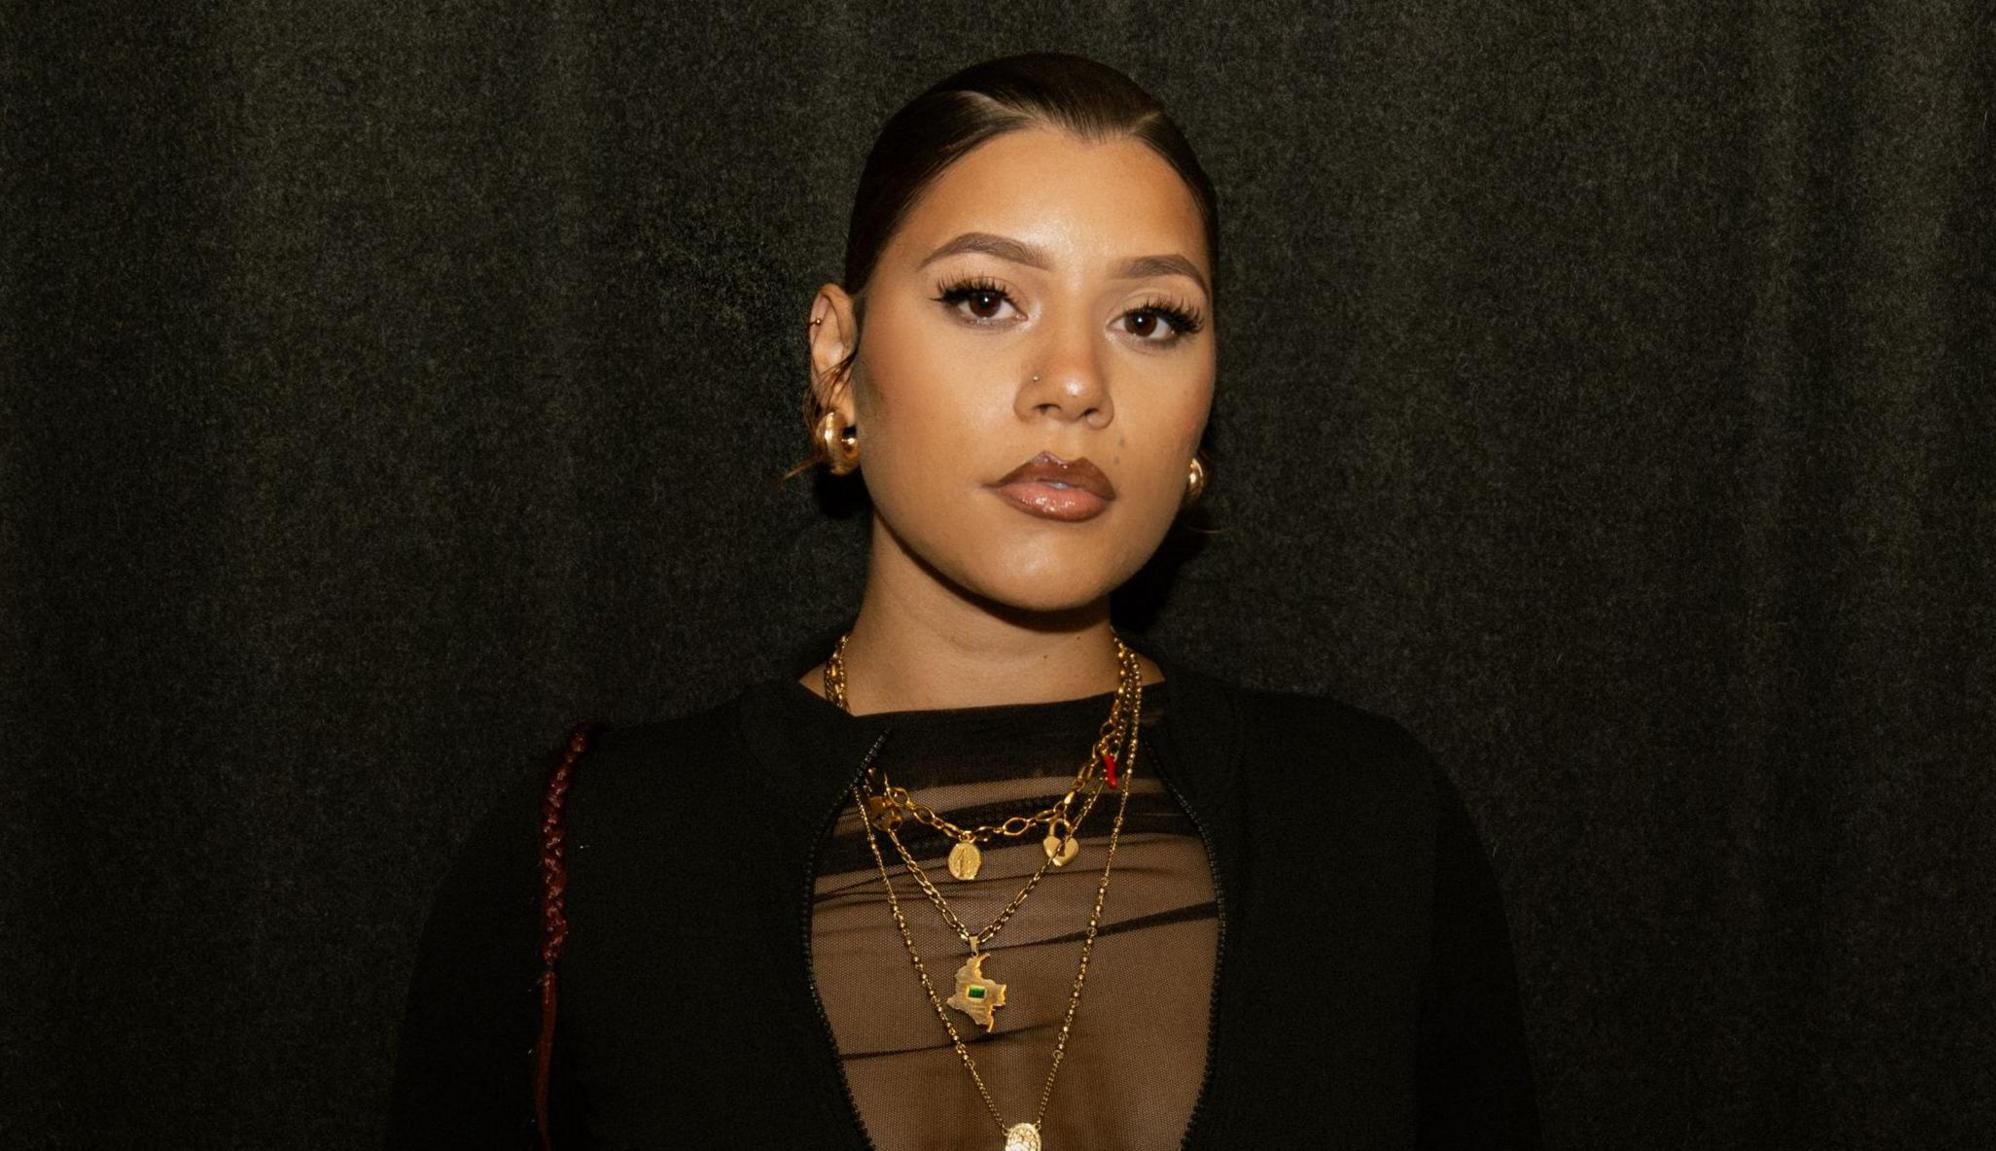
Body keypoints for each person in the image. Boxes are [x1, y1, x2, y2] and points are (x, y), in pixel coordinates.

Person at [385, 51, 1542, 1151]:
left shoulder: (1368, 826)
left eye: (1149, 320)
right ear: (836, 360)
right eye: (986, 298)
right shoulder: (598, 858)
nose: (1075, 386)